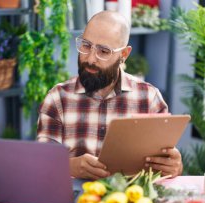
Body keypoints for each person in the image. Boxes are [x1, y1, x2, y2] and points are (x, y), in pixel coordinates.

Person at [37, 11, 183, 180]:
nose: (91, 59)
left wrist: (174, 167)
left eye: (104, 51)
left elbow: (164, 165)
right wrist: (70, 167)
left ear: (124, 55)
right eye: (86, 45)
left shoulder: (149, 99)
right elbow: (43, 165)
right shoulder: (57, 99)